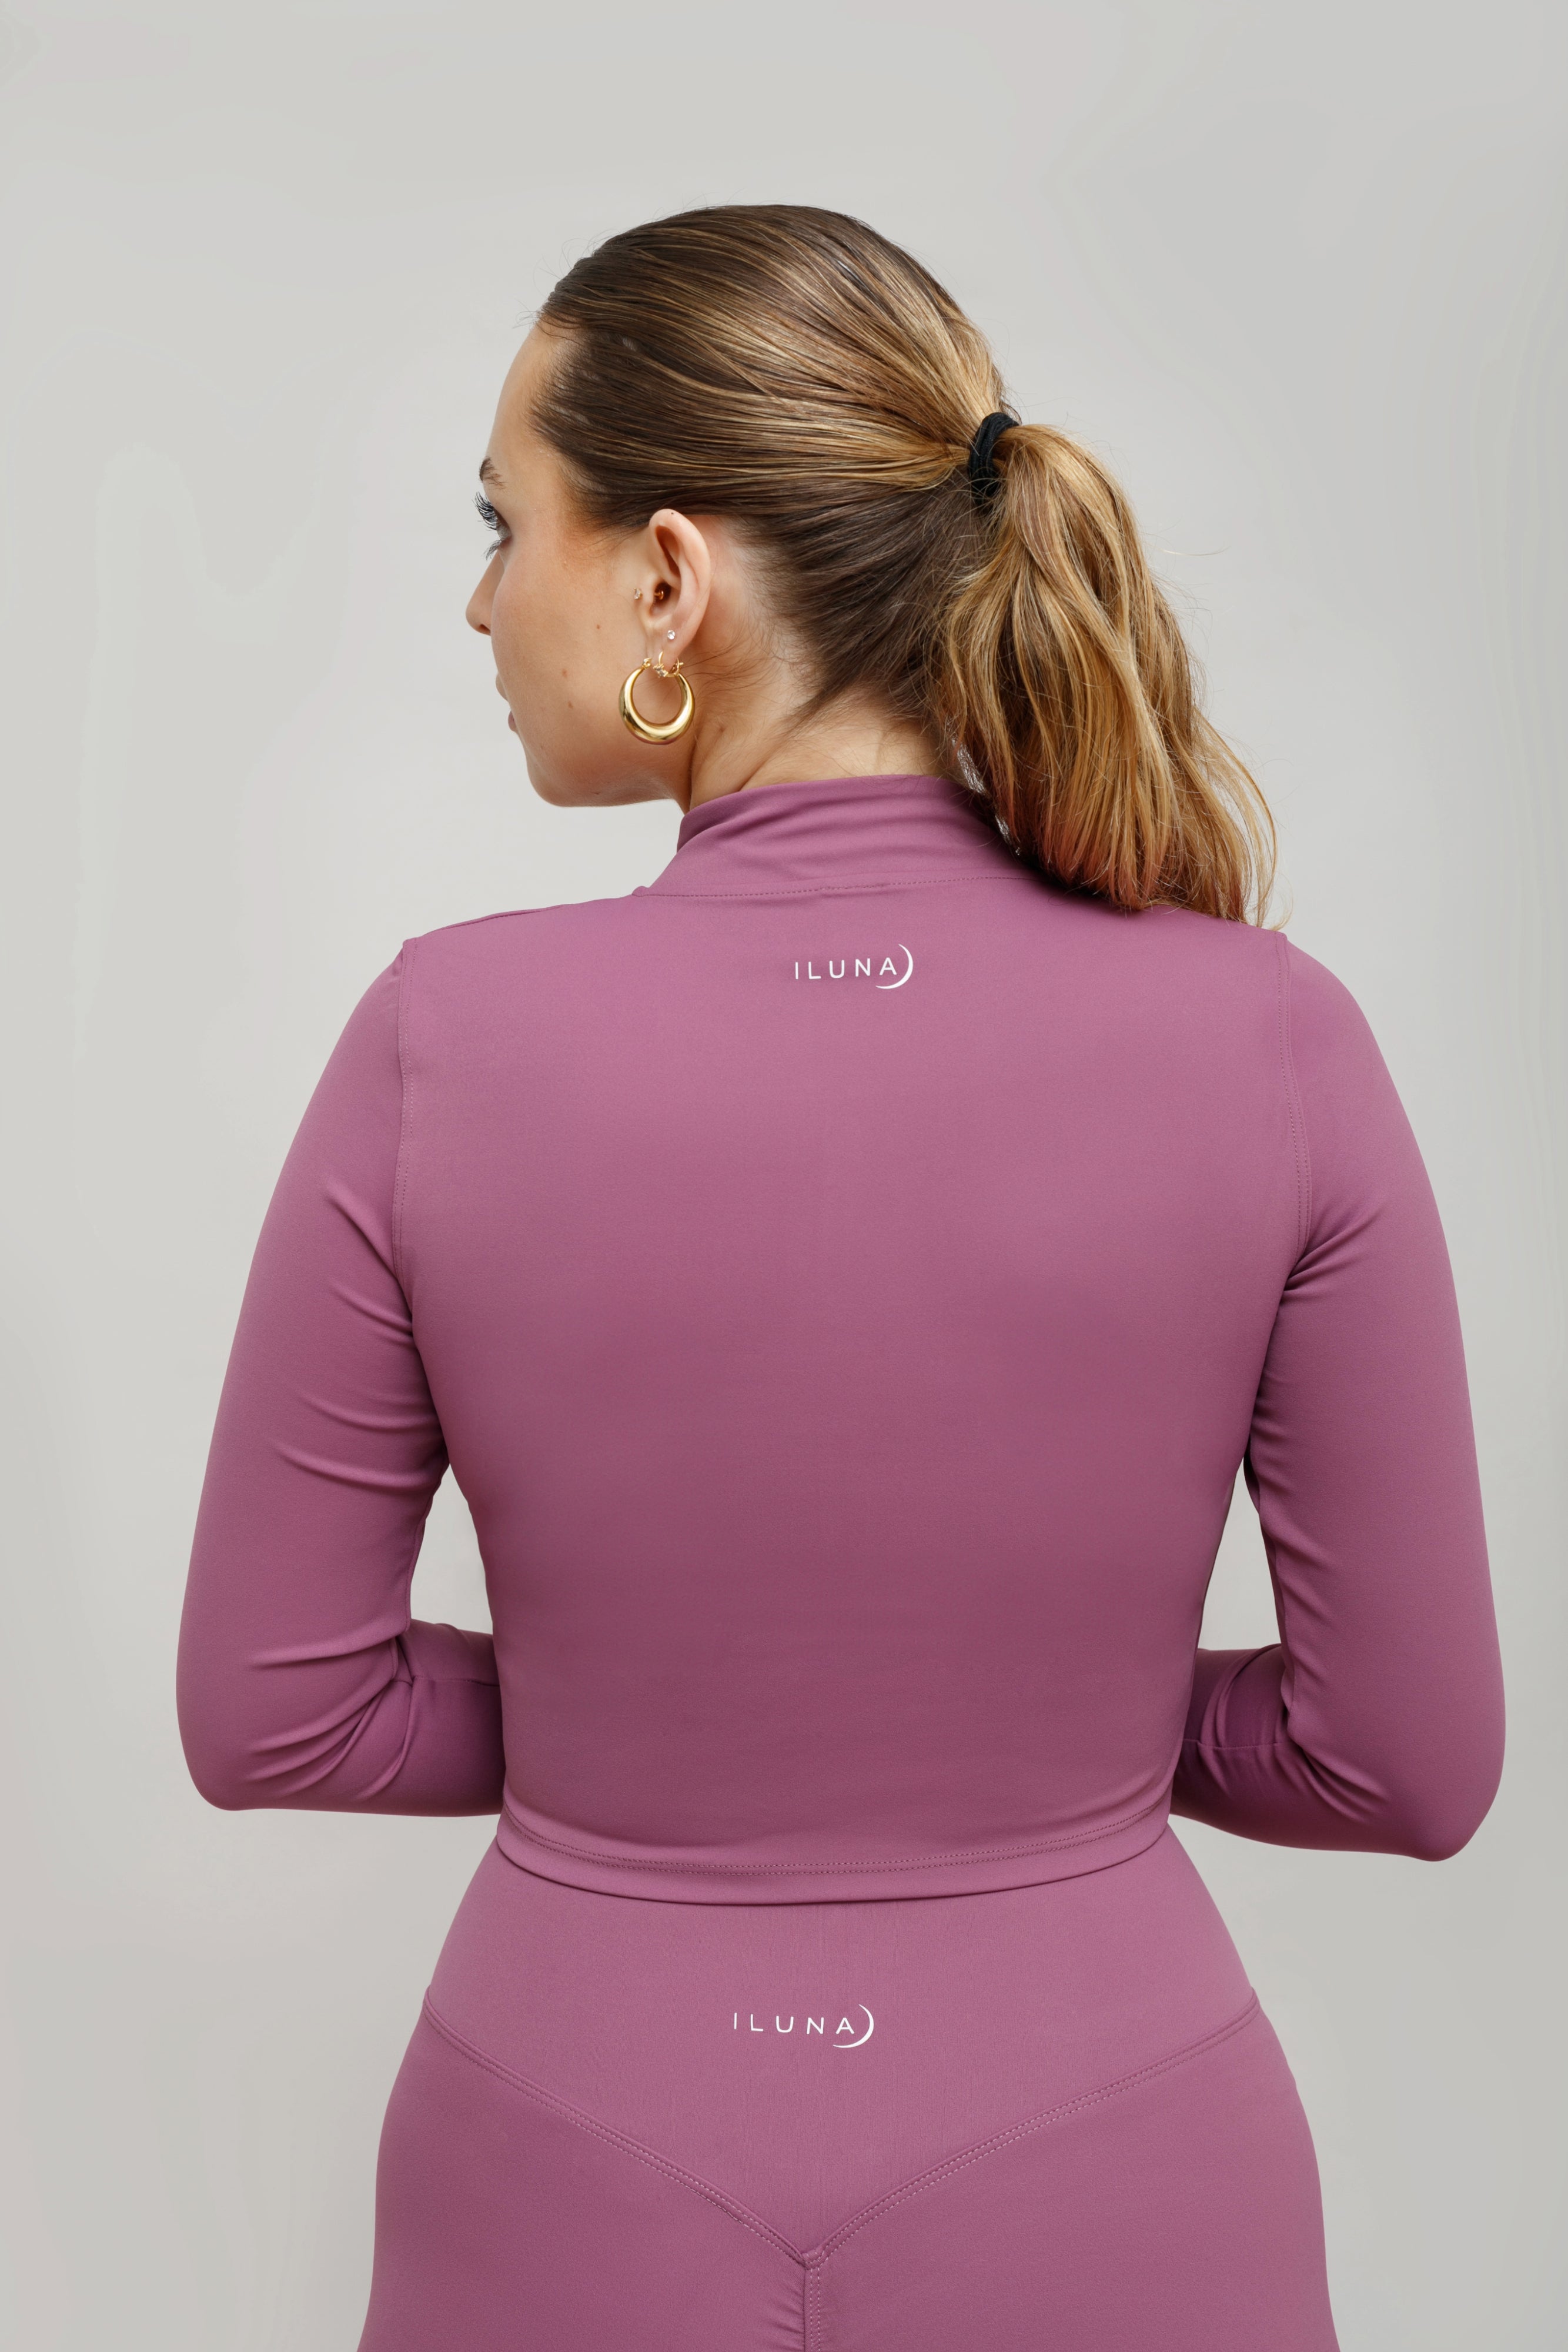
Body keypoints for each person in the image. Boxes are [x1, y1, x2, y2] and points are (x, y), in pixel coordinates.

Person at [176, 204, 1505, 2350]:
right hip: (1123, 2156)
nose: (481, 598)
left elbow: (277, 1714)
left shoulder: (442, 1040)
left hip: (564, 2154)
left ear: (668, 579)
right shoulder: (1272, 1036)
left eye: (505, 524)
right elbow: (1403, 1762)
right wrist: (1028, 1744)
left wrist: (661, 1732)